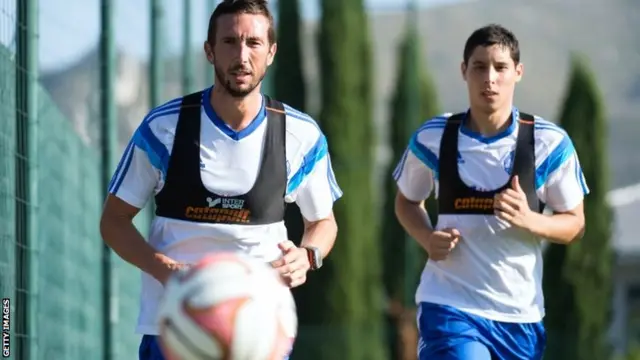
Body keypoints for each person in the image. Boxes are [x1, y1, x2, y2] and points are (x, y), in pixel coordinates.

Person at [99, 1, 342, 359]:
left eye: (254, 43)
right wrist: (162, 268)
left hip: (261, 331)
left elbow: (323, 222)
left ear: (271, 52)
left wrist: (308, 256)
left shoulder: (301, 135)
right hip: (174, 329)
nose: (242, 56)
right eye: (229, 42)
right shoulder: (163, 128)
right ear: (209, 51)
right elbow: (113, 222)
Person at [393, 24, 589, 360]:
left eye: (500, 67)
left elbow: (575, 223)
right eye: (479, 67)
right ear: (463, 71)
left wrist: (531, 221)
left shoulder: (549, 142)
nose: (489, 78)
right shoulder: (433, 137)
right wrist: (428, 239)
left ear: (518, 72)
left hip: (519, 317)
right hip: (450, 305)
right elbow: (407, 202)